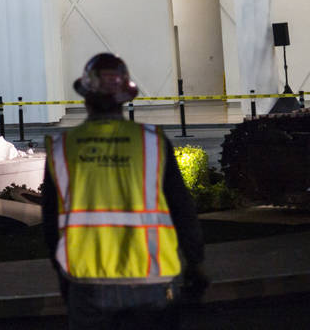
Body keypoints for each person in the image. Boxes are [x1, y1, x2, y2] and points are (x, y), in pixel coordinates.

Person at [42, 53, 207, 330]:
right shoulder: (152, 143)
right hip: (152, 283)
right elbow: (182, 209)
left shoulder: (62, 148)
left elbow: (50, 222)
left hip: (88, 283)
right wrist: (195, 262)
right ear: (125, 98)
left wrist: (62, 275)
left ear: (86, 97)